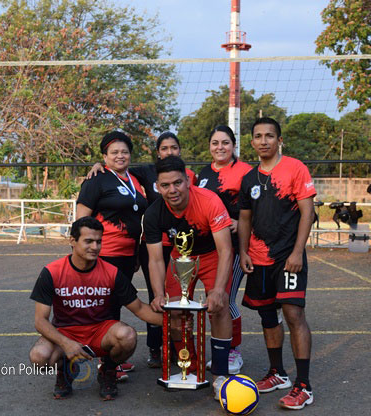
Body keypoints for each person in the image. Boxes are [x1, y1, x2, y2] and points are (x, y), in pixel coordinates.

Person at [86, 132, 196, 368]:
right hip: (151, 246)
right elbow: (115, 170)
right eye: (164, 148)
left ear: (180, 150)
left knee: (180, 297)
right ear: (158, 153)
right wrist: (98, 165)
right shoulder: (145, 172)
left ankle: (180, 349)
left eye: (174, 147)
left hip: (179, 248)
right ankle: (153, 350)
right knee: (155, 298)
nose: (169, 152)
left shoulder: (189, 175)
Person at [28, 217, 162, 401]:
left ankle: (108, 369)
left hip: (100, 331)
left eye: (99, 241)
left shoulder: (111, 272)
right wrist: (66, 344)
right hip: (66, 331)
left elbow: (140, 309)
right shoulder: (52, 272)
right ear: (72, 241)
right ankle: (65, 369)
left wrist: (172, 322)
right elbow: (40, 321)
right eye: (88, 241)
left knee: (128, 336)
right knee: (39, 357)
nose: (95, 247)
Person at [238, 117, 316, 410]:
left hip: (287, 257)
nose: (264, 141)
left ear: (279, 140)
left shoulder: (295, 168)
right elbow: (245, 218)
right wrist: (243, 251)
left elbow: (307, 213)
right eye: (258, 136)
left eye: (269, 135)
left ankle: (304, 385)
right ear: (252, 142)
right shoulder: (249, 178)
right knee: (267, 315)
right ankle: (278, 373)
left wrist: (297, 252)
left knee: (294, 314)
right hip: (258, 258)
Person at [143, 155, 233, 400]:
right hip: (180, 257)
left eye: (177, 183)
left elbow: (226, 250)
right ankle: (190, 369)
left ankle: (221, 374)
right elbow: (155, 259)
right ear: (157, 187)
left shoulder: (209, 201)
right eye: (165, 185)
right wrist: (158, 294)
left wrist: (219, 290)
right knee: (174, 310)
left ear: (188, 181)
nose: (172, 190)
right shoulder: (153, 213)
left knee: (219, 306)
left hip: (212, 254)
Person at [76, 130, 148, 376]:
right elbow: (81, 220)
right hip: (104, 254)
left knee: (114, 304)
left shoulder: (134, 179)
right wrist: (83, 253)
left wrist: (136, 253)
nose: (120, 156)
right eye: (114, 152)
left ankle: (112, 356)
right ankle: (104, 361)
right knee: (104, 307)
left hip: (127, 255)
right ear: (104, 156)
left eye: (124, 151)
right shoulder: (96, 179)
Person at [197, 125, 252, 374]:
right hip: (210, 249)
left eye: (225, 142)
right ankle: (221, 349)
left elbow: (259, 206)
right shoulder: (204, 173)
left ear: (234, 145)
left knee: (226, 299)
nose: (220, 147)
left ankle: (233, 351)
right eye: (215, 143)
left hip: (235, 247)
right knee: (214, 299)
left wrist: (241, 223)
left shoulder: (246, 172)